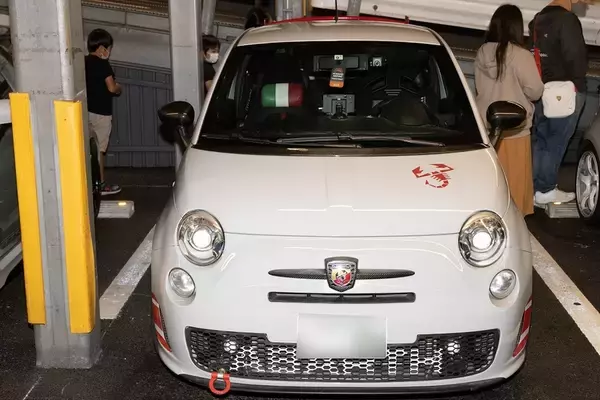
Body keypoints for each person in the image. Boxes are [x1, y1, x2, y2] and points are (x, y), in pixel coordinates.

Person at [475, 4, 544, 216]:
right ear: (516, 27)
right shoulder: (521, 55)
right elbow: (535, 90)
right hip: (515, 130)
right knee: (513, 192)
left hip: (487, 129)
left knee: (490, 184)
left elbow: (478, 87)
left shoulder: (482, 51)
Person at [529, 0, 589, 206]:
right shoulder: (567, 20)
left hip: (542, 89)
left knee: (541, 142)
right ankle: (546, 190)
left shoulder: (537, 19)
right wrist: (579, 85)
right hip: (565, 92)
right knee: (555, 143)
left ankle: (537, 190)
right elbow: (576, 59)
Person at [85, 28, 122, 196]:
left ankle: (86, 184)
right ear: (101, 48)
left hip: (85, 111)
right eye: (109, 48)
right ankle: (100, 186)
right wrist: (119, 88)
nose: (109, 52)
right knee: (99, 150)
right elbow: (112, 87)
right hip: (102, 113)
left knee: (85, 148)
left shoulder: (83, 62)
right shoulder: (103, 64)